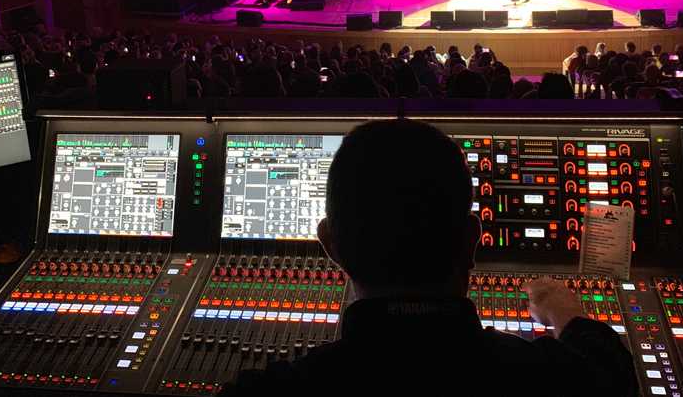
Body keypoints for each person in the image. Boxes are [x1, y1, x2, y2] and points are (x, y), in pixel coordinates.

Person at [221, 120, 635, 396]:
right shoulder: (559, 381)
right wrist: (570, 317)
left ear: (330, 245)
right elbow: (613, 370)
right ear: (472, 239)